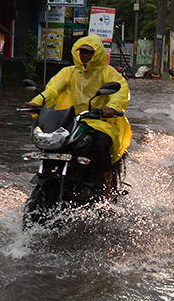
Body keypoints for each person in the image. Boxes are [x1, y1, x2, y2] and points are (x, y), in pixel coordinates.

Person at [29, 35, 131, 191]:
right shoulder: (69, 72)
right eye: (82, 51)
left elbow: (119, 91)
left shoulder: (108, 72)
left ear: (96, 53)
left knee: (100, 146)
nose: (84, 55)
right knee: (52, 144)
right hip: (72, 121)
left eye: (89, 52)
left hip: (100, 122)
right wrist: (36, 102)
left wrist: (110, 107)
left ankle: (106, 192)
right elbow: (52, 90)